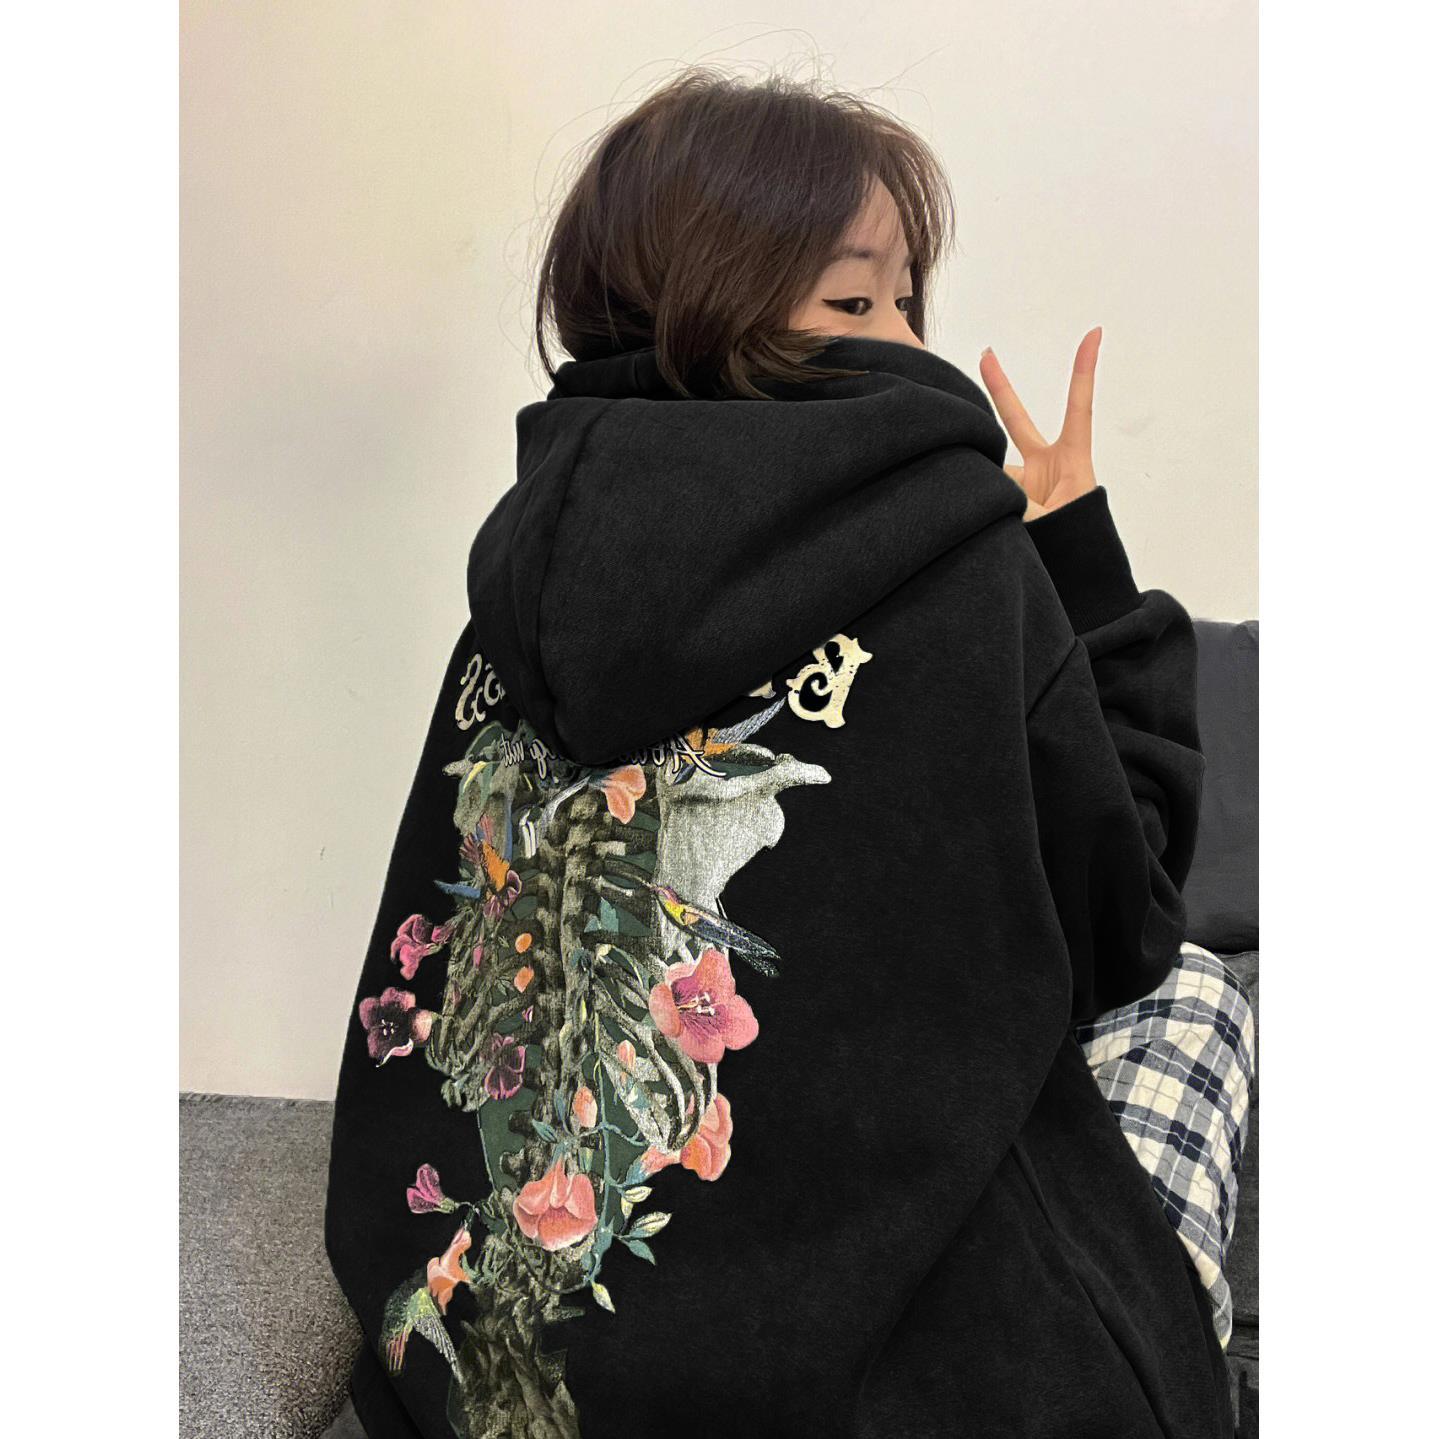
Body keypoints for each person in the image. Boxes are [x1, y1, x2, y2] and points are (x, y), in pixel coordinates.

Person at [323, 66, 1235, 1439]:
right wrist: (1083, 572)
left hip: (494, 1378)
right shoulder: (966, 563)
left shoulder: (518, 591)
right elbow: (1122, 922)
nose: (909, 341)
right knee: (1204, 996)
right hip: (901, 1396)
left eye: (908, 300)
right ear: (706, 306)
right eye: (856, 301)